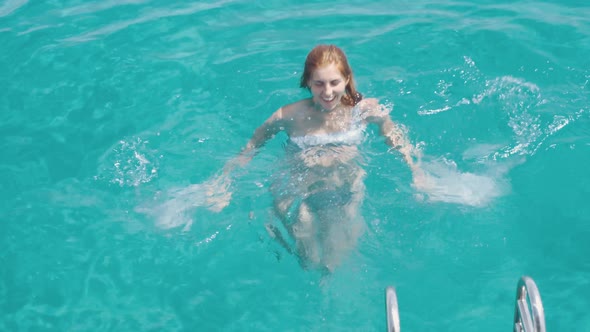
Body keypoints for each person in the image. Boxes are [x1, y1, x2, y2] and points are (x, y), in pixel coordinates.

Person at [205, 44, 423, 273]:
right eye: (319, 83)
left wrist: (417, 171)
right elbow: (251, 147)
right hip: (298, 189)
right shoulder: (287, 116)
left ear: (347, 79)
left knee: (334, 261)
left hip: (345, 187)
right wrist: (222, 182)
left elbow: (395, 137)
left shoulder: (365, 110)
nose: (327, 92)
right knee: (307, 256)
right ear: (308, 82)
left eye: (334, 82)